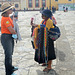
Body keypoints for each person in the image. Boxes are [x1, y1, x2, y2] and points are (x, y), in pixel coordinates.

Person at [1, 3, 18, 75]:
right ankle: (8, 72)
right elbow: (11, 29)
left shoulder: (8, 17)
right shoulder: (5, 19)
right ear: (7, 11)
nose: (12, 10)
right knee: (8, 55)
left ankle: (10, 67)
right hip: (6, 37)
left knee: (10, 53)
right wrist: (16, 33)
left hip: (9, 37)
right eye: (10, 9)